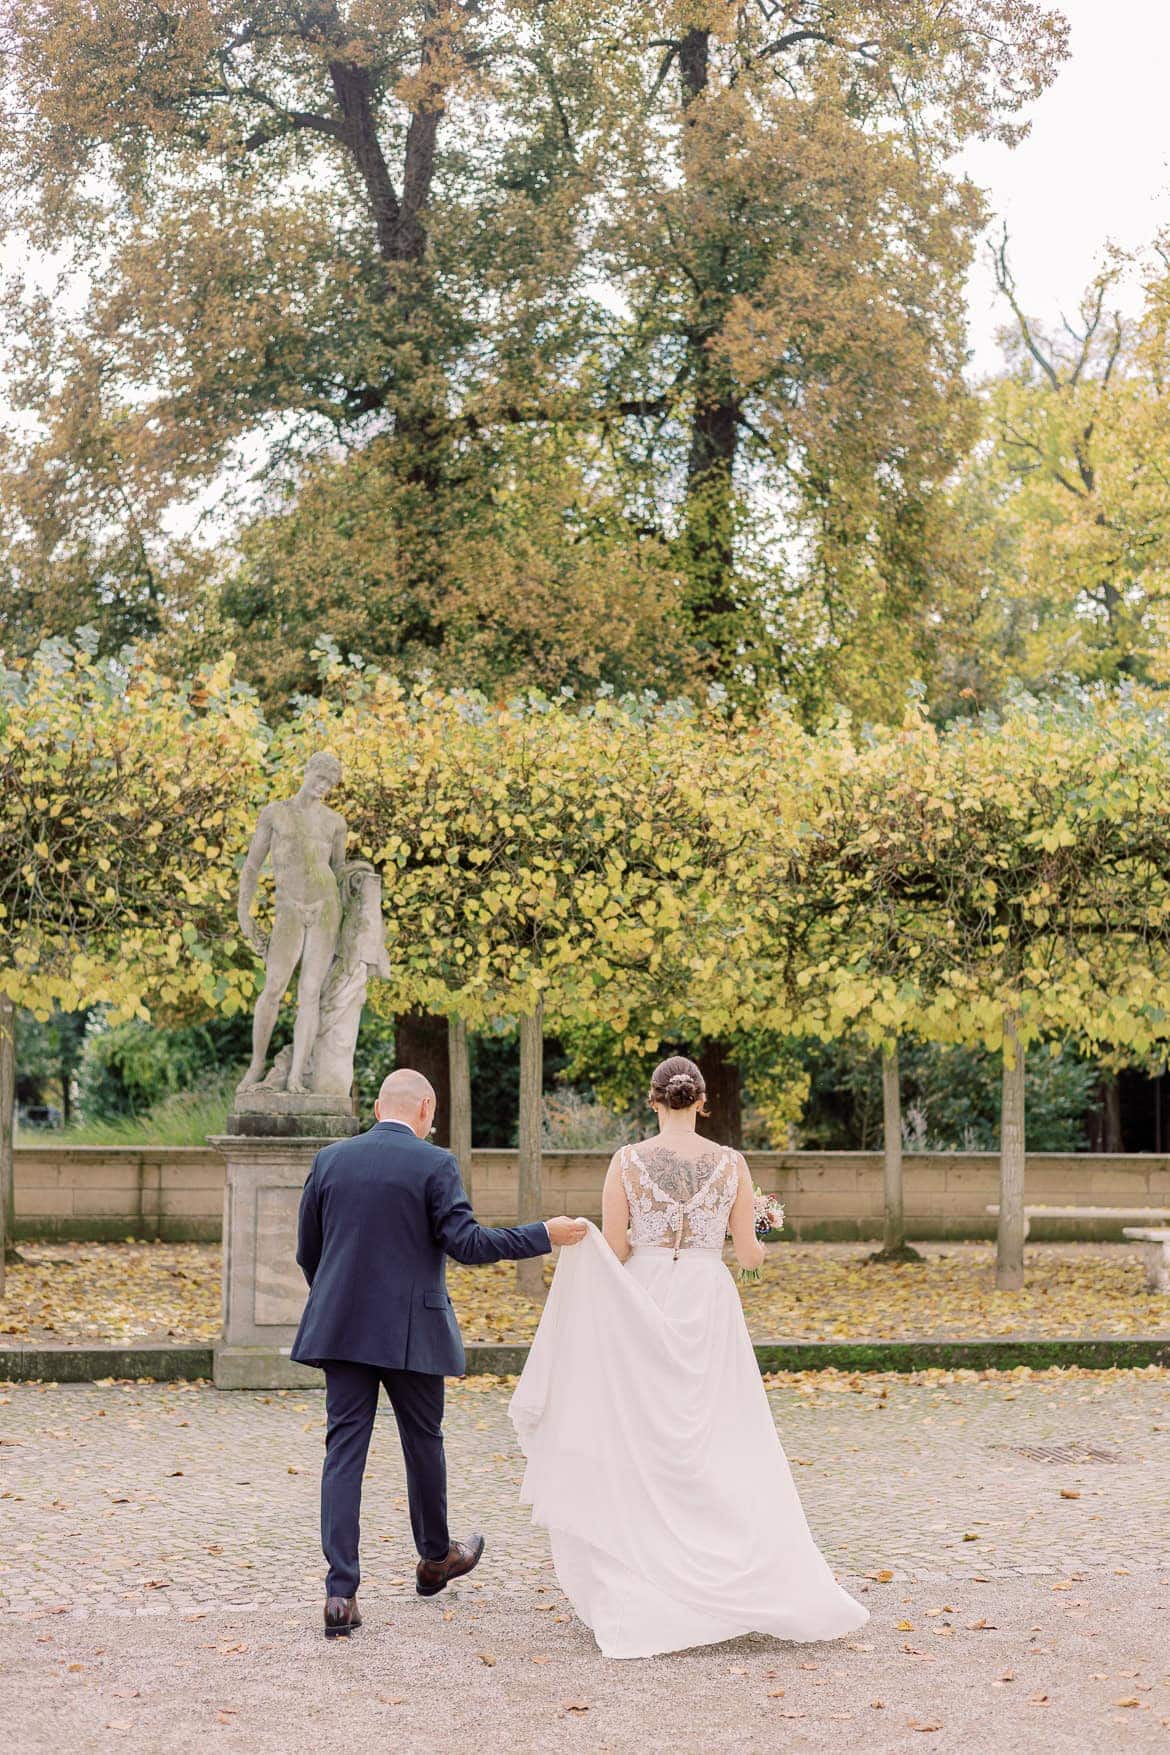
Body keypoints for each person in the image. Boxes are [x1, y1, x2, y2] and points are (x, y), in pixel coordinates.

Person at [509, 1055, 869, 1660]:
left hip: (645, 1297)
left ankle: (644, 1575)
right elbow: (749, 1256)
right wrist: (756, 1223)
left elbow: (617, 1248)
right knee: (717, 1434)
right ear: (703, 1101)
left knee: (647, 1437)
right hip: (707, 1298)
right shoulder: (733, 1164)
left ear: (654, 1101)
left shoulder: (626, 1161)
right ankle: (733, 1565)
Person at [290, 1066, 587, 1638]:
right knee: (423, 1443)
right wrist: (543, 1233)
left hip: (341, 1328)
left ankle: (340, 1594)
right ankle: (434, 1559)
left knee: (343, 1453)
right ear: (426, 1109)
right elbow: (469, 1244)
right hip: (412, 1333)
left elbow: (309, 1250)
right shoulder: (435, 1164)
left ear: (379, 1107)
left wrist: (337, 1300)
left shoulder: (330, 1160)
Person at [236, 751, 348, 1094]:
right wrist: (244, 911)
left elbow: (340, 872)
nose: (323, 787)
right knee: (273, 987)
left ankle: (297, 1075)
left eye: (330, 783)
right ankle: (256, 1065)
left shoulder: (335, 823)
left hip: (326, 907)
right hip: (289, 907)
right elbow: (253, 865)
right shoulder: (276, 813)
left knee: (310, 993)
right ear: (307, 770)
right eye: (320, 778)